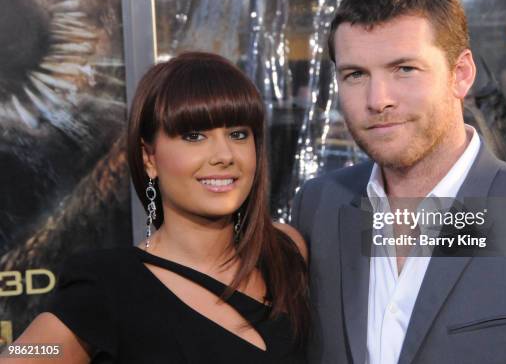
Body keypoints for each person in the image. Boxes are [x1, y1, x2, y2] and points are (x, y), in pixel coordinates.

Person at [291, 0, 506, 364]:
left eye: (404, 69)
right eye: (356, 74)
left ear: (461, 75)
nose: (378, 99)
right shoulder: (320, 207)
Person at [3, 52, 309, 363]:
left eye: (238, 134)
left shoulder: (284, 252)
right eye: (194, 136)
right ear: (149, 158)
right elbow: (32, 352)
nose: (224, 154)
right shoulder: (110, 285)